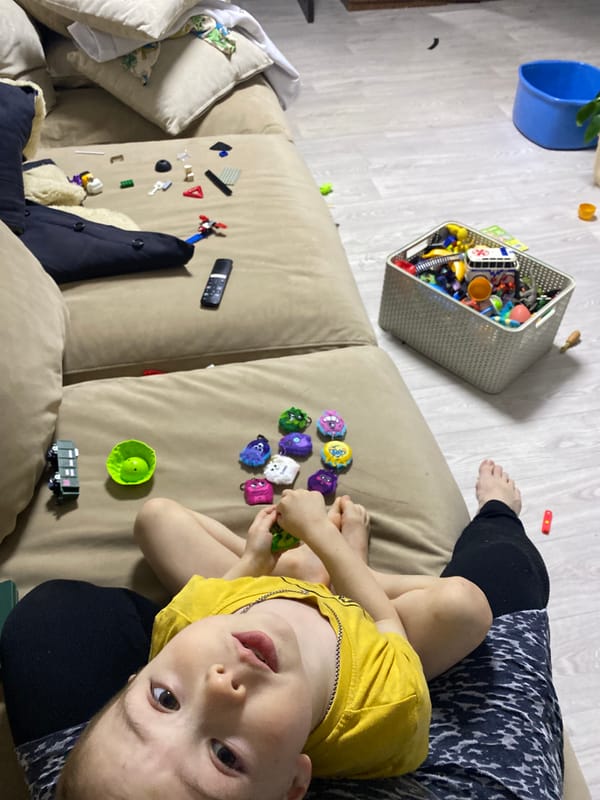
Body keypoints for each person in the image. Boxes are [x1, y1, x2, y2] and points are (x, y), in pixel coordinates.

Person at [0, 461, 563, 800]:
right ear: (297, 784)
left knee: (156, 518)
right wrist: (329, 541)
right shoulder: (386, 715)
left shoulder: (185, 632)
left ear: (135, 676)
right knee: (470, 602)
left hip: (264, 590)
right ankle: (496, 514)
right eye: (225, 755)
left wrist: (253, 557)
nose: (220, 685)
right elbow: (385, 621)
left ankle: (304, 572)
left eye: (164, 697)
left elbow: (223, 592)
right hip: (356, 622)